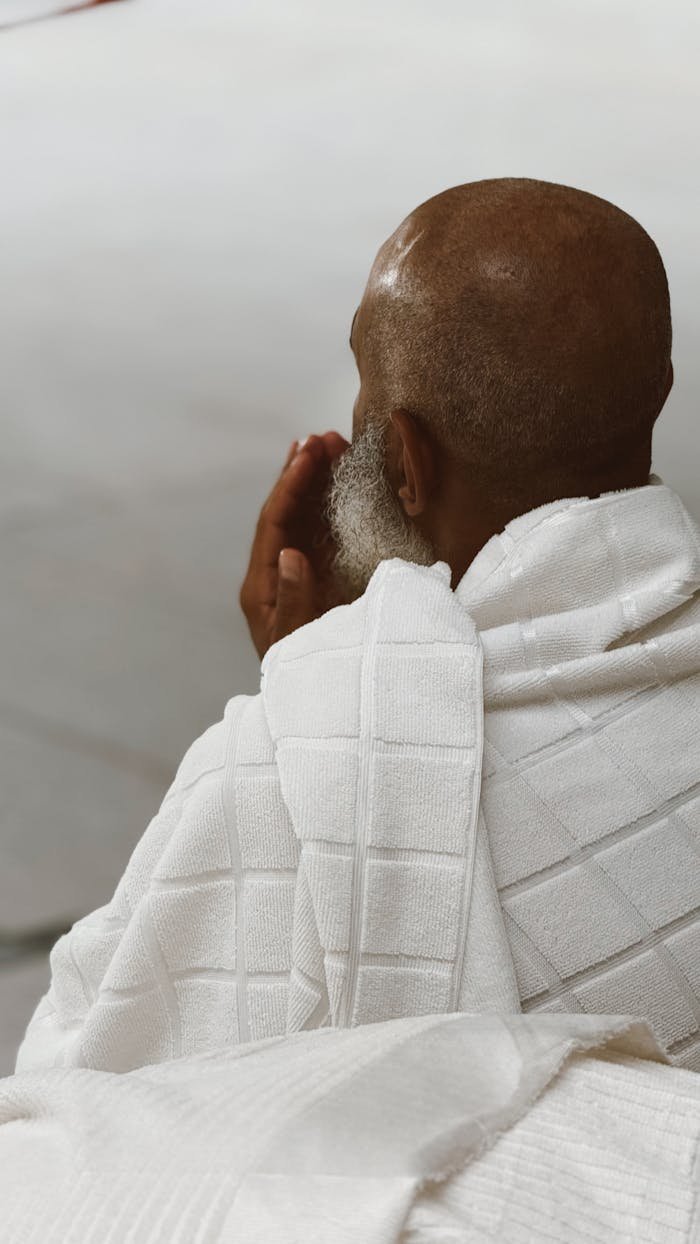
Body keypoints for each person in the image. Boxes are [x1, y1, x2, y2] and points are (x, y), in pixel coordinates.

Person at [17, 178, 700, 1075]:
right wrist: (330, 675)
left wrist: (310, 702)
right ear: (659, 387)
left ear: (407, 464)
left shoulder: (279, 764)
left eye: (363, 377)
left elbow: (81, 1091)